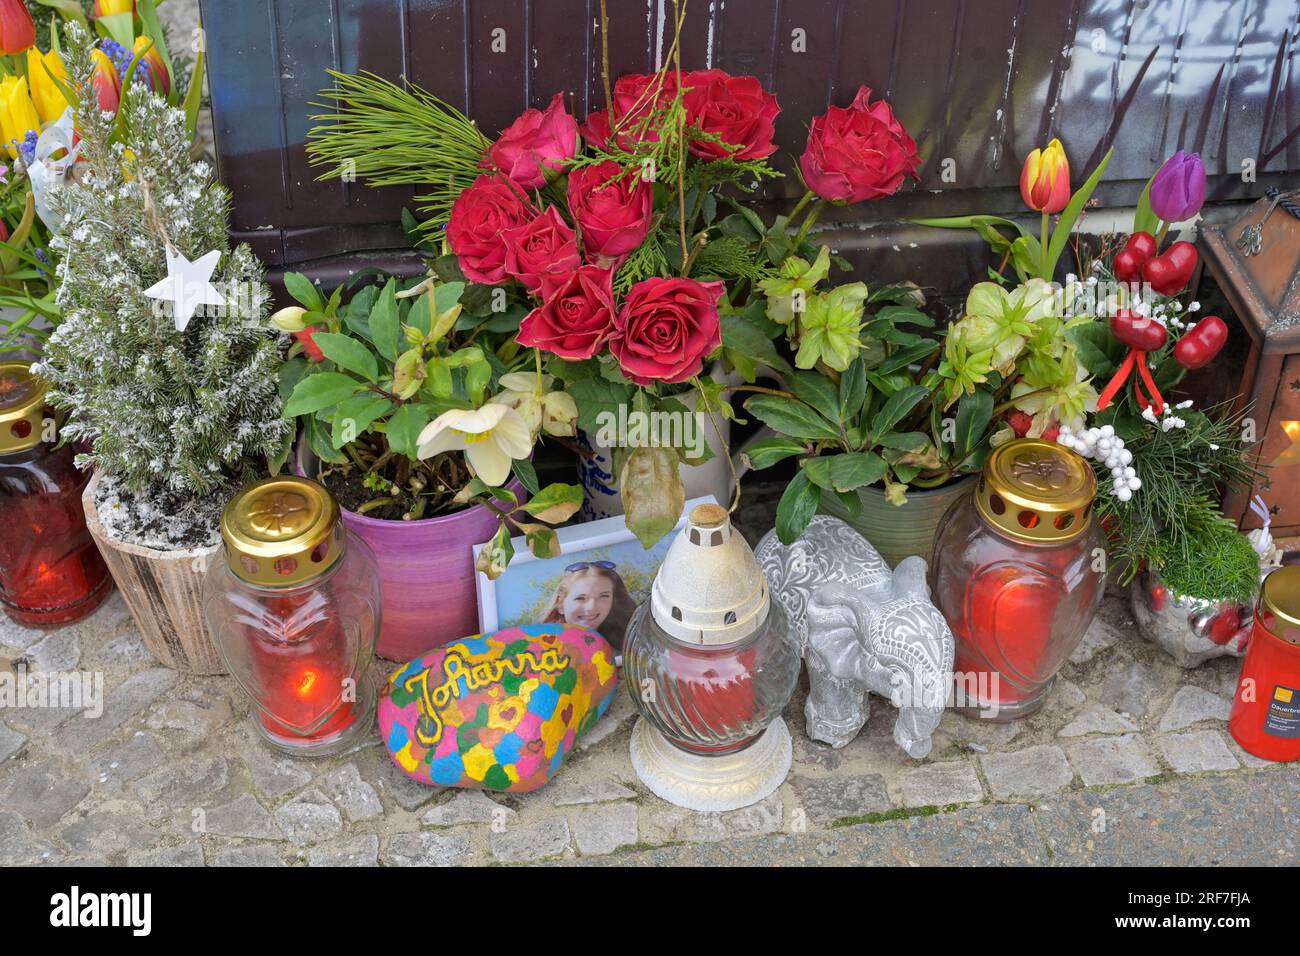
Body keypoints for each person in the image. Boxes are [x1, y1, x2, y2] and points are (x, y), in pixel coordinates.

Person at [542, 560, 636, 651]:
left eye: (603, 596)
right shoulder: (538, 650)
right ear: (561, 604)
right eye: (580, 598)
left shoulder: (627, 653)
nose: (591, 607)